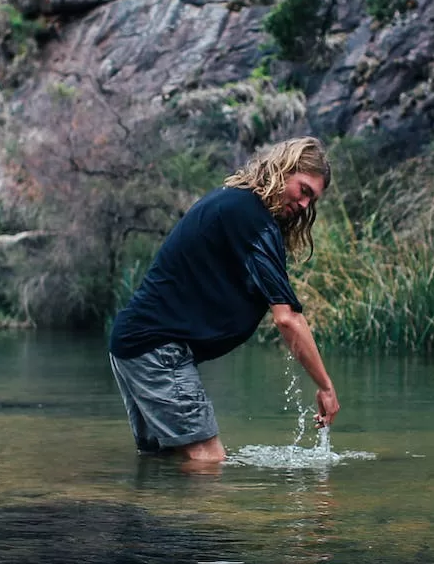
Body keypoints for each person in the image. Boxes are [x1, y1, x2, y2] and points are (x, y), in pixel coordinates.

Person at [109, 136, 339, 466]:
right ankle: (215, 520)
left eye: (312, 200)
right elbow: (287, 318)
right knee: (208, 459)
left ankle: (148, 518)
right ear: (284, 169)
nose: (305, 205)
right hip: (158, 350)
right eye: (303, 190)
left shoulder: (236, 204)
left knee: (164, 462)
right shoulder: (252, 218)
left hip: (136, 344)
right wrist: (326, 388)